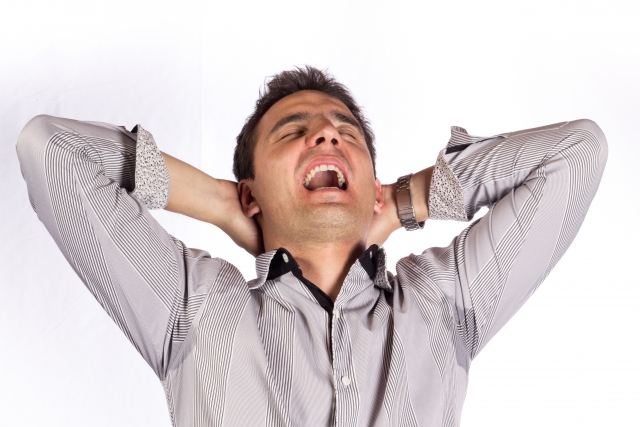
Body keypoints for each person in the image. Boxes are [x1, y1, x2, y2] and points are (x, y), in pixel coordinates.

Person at [16, 66, 607, 427]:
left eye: (345, 132)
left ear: (371, 184)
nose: (326, 133)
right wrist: (219, 201)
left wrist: (403, 201)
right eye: (294, 131)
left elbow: (577, 154)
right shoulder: (195, 305)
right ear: (251, 193)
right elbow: (51, 152)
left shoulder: (440, 304)